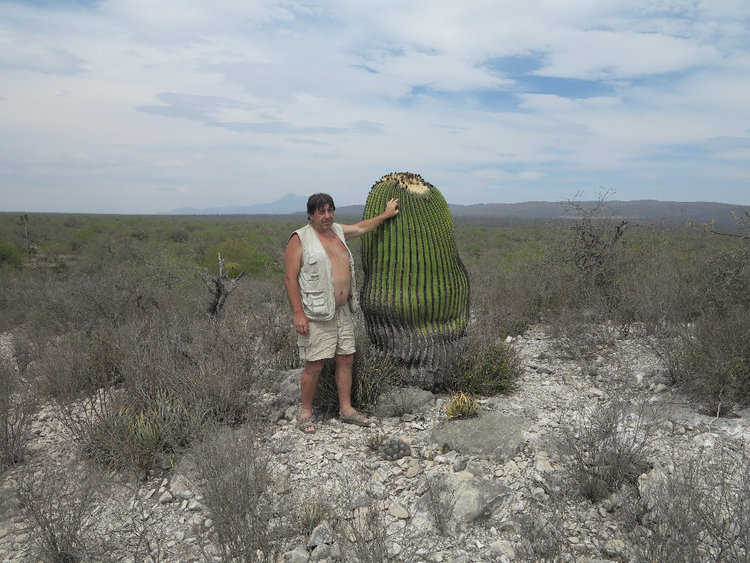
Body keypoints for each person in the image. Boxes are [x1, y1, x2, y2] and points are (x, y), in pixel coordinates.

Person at [284, 193, 399, 434]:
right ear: (311, 214)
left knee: (346, 358)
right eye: (321, 212)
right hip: (316, 313)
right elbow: (290, 278)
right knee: (314, 363)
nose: (327, 216)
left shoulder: (337, 230)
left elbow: (360, 227)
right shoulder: (300, 238)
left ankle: (346, 409)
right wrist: (298, 314)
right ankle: (305, 413)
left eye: (330, 211)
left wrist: (386, 215)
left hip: (343, 310)